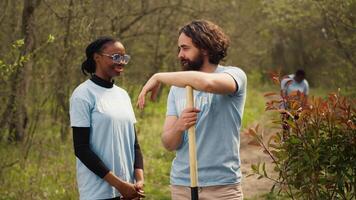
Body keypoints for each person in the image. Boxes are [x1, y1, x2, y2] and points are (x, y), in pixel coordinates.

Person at [137, 20, 246, 200]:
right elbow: (169, 144)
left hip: (223, 186)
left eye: (185, 48)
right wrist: (179, 126)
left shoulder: (234, 75)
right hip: (182, 185)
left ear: (204, 47)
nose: (180, 54)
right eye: (179, 49)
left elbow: (207, 84)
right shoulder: (177, 88)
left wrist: (158, 76)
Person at [69, 37, 145, 200]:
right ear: (97, 57)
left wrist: (138, 181)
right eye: (116, 57)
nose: (122, 62)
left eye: (124, 57)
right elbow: (81, 148)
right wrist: (119, 185)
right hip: (98, 193)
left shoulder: (123, 95)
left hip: (129, 191)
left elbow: (134, 145)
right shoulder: (83, 94)